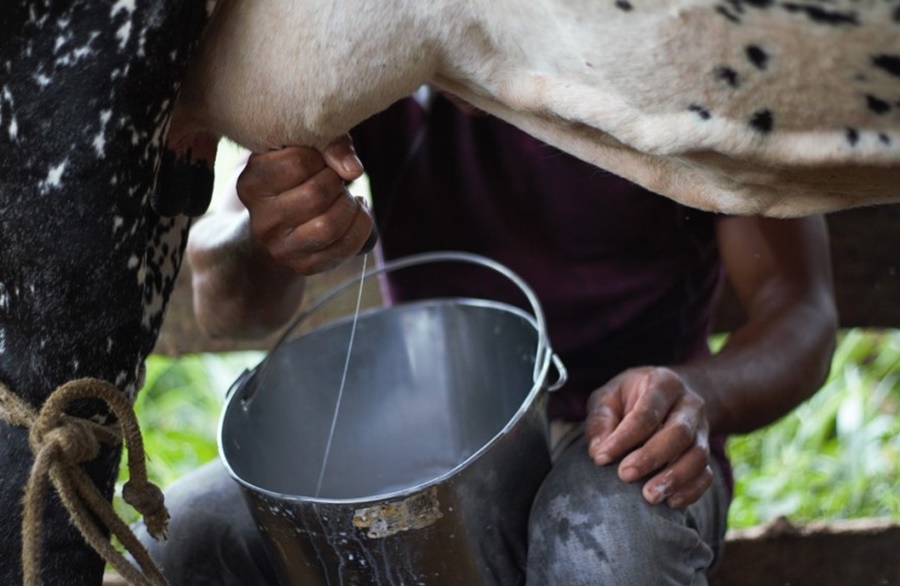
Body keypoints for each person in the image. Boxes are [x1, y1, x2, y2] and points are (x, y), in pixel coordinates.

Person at [135, 88, 838, 585]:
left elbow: (799, 310)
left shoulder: (687, 68)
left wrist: (693, 395)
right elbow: (225, 302)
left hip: (625, 435)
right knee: (189, 534)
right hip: (438, 426)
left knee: (604, 536)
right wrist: (270, 233)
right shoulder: (366, 59)